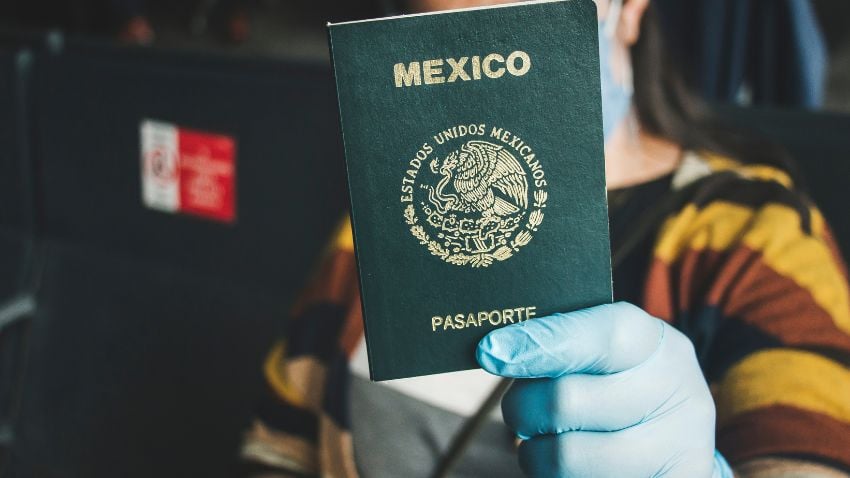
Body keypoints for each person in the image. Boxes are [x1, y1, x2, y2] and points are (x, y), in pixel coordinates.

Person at [239, 0, 850, 476]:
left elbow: (809, 454)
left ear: (629, 11)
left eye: (528, 28)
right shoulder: (386, 215)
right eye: (449, 43)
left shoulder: (749, 229)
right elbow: (281, 440)